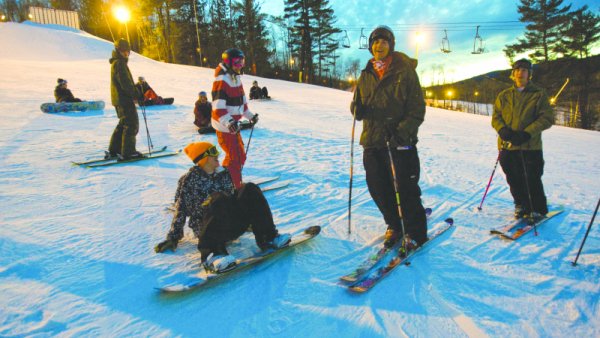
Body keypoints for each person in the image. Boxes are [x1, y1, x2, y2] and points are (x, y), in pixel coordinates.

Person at [154, 141, 291, 272]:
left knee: (249, 188)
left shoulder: (223, 174)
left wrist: (251, 219)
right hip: (208, 230)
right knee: (217, 197)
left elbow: (233, 201)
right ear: (203, 158)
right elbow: (181, 209)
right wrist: (173, 237)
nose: (218, 156)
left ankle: (269, 237)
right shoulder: (189, 180)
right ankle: (213, 254)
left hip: (230, 225)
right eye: (213, 153)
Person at [350, 25, 427, 250]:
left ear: (391, 45)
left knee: (405, 188)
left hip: (399, 141)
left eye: (384, 41)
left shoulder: (404, 71)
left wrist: (402, 133)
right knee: (378, 187)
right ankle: (394, 223)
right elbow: (359, 102)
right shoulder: (366, 73)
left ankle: (415, 232)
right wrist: (356, 108)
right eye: (375, 42)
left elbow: (416, 108)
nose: (379, 45)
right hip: (373, 140)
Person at [492, 58, 554, 220]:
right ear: (513, 74)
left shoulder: (538, 94)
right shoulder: (504, 95)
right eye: (518, 70)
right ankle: (521, 204)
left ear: (530, 74)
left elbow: (547, 118)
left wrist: (526, 133)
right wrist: (503, 130)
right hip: (507, 145)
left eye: (524, 70)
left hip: (530, 146)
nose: (521, 73)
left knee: (532, 178)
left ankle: (538, 208)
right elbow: (496, 116)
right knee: (513, 178)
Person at [211, 48, 258, 188]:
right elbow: (217, 108)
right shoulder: (222, 79)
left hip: (232, 126)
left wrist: (250, 116)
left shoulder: (235, 77)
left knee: (239, 156)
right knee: (235, 158)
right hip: (224, 127)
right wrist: (229, 121)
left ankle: (225, 180)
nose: (241, 65)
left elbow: (242, 103)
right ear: (228, 62)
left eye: (242, 62)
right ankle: (235, 186)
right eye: (237, 62)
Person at [108, 39, 143, 160]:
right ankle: (128, 152)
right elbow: (125, 83)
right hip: (124, 100)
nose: (126, 53)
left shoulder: (117, 63)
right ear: (118, 50)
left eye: (127, 51)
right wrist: (136, 94)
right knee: (131, 125)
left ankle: (115, 150)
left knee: (123, 124)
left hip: (120, 99)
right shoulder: (120, 64)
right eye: (123, 51)